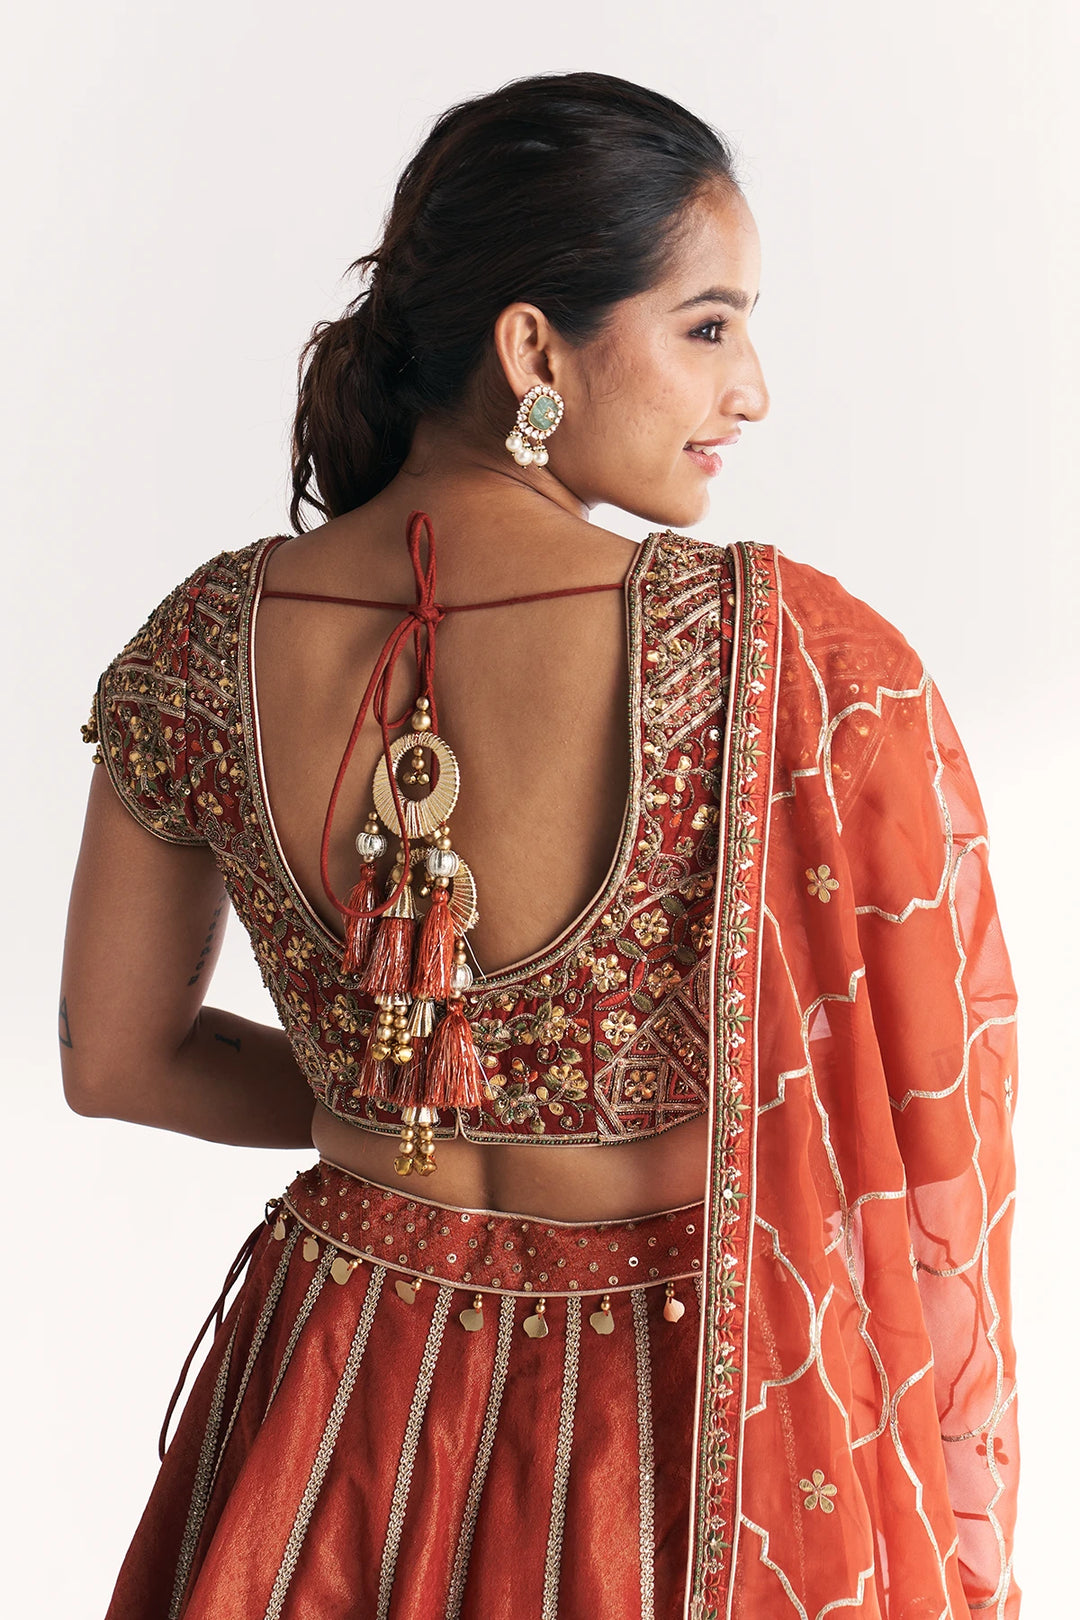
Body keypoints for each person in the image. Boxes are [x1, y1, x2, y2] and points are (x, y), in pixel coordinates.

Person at [61, 70, 1022, 1620]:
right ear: (534, 347)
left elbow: (116, 1062)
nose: (752, 387)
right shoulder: (791, 659)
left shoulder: (199, 647)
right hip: (674, 1412)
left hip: (340, 1385)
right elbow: (917, 1125)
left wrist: (397, 1102)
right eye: (708, 325)